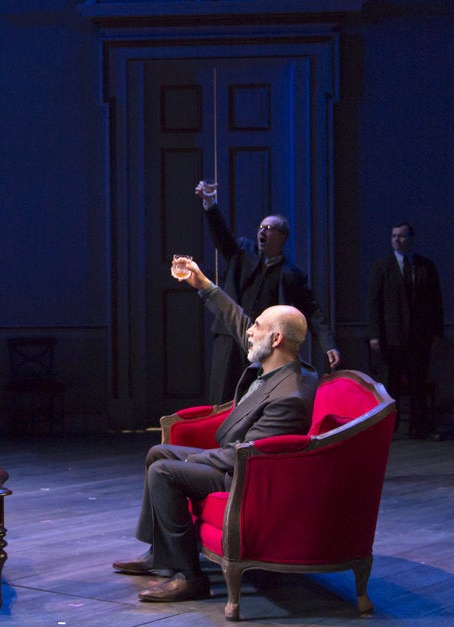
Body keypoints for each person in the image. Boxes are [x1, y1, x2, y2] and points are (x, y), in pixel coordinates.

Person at [113, 256, 317, 603]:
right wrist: (203, 284)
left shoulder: (290, 396)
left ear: (278, 338)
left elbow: (246, 457)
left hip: (246, 475)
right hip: (237, 456)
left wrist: (197, 460)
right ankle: (160, 555)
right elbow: (237, 321)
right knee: (157, 452)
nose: (250, 331)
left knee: (164, 471)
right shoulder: (276, 360)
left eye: (259, 327)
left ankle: (189, 577)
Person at [195, 181, 339, 406]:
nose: (262, 231)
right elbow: (221, 235)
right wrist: (209, 203)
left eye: (269, 229)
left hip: (263, 342)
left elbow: (312, 311)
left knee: (254, 395)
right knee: (221, 394)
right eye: (261, 228)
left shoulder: (292, 274)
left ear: (282, 236)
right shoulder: (242, 251)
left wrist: (328, 345)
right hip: (230, 336)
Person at [367, 222, 444, 439]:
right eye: (393, 236)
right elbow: (374, 303)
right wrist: (374, 335)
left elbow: (435, 301)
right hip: (392, 337)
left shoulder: (425, 266)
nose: (397, 240)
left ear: (411, 238)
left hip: (419, 336)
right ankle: (389, 429)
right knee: (391, 384)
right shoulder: (382, 267)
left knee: (418, 382)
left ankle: (419, 428)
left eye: (401, 236)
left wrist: (436, 332)